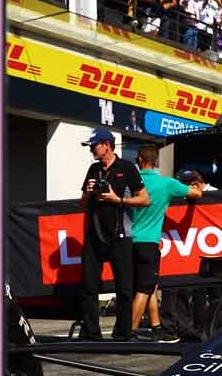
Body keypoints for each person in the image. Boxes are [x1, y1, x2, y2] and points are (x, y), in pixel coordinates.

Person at [126, 146, 203, 340]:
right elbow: (196, 195)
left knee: (149, 285)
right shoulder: (166, 184)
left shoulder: (131, 182)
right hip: (148, 242)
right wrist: (196, 188)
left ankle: (157, 327)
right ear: (156, 162)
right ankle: (129, 331)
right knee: (144, 288)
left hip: (127, 241)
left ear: (139, 160)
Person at [76, 128, 145, 341]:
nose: (91, 150)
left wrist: (118, 200)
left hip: (120, 235)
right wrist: (88, 192)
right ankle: (91, 333)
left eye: (94, 146)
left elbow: (144, 200)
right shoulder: (93, 169)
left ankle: (123, 333)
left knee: (124, 288)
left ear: (106, 145)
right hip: (95, 235)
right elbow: (82, 204)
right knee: (89, 286)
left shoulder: (127, 168)